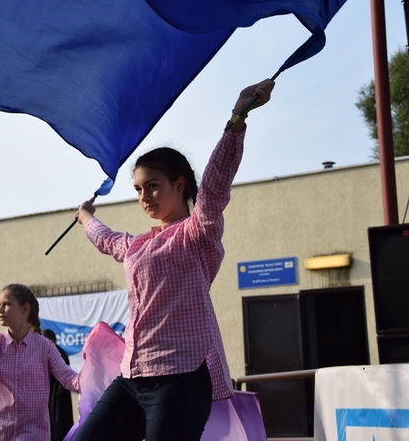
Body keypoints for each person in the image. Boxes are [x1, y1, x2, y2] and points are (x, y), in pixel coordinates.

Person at [72, 80, 275, 441]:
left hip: (180, 379)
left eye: (152, 185)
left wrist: (237, 118)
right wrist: (86, 217)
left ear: (179, 186)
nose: (144, 196)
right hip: (132, 378)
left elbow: (214, 188)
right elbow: (106, 240)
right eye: (137, 189)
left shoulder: (197, 233)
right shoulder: (136, 245)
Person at [0, 283, 80, 441]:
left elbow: (69, 378)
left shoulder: (45, 346)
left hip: (33, 434)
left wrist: (99, 383)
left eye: (6, 305)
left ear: (25, 309)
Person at [42, 328, 74, 441]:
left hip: (57, 402)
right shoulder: (56, 352)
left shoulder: (57, 353)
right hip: (54, 400)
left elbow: (63, 380)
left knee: (58, 431)